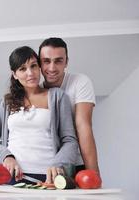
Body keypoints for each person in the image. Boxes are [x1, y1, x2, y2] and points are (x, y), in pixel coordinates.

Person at [0, 46, 79, 184]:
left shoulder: (57, 96)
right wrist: (6, 157)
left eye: (33, 66)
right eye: (22, 69)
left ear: (39, 67)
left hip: (48, 179)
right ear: (14, 74)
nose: (30, 73)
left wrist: (58, 164)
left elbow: (70, 140)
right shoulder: (7, 102)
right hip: (12, 177)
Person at [38, 37, 100, 175]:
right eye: (46, 61)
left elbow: (83, 126)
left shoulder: (80, 82)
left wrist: (94, 174)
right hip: (46, 167)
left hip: (76, 163)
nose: (52, 68)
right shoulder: (36, 92)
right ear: (39, 64)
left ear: (66, 62)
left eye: (58, 61)